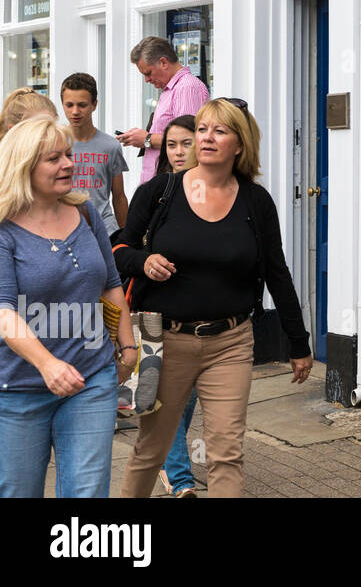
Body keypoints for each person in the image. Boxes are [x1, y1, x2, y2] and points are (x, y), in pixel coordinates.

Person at [116, 98, 311, 498]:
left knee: (225, 453)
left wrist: (298, 342)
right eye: (202, 129)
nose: (206, 138)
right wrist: (144, 260)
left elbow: (277, 272)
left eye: (219, 131)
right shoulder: (160, 191)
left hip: (230, 343)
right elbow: (118, 251)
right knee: (151, 450)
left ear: (239, 145)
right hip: (164, 341)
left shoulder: (255, 202)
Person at [0, 117, 135, 497]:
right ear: (24, 165)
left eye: (68, 155)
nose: (68, 164)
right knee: (18, 491)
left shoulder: (87, 212)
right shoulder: (4, 229)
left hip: (91, 378)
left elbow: (110, 285)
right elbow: (4, 313)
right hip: (18, 388)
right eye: (53, 158)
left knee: (87, 493)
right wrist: (47, 364)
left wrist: (127, 348)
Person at [153, 114, 200, 498]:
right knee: (172, 399)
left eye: (186, 142)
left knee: (185, 402)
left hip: (208, 319)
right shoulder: (157, 191)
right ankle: (181, 479)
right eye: (171, 144)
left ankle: (165, 458)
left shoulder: (224, 191)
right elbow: (126, 249)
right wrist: (145, 261)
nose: (179, 151)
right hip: (163, 317)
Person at [116, 36, 209, 183]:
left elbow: (188, 141)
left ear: (164, 62)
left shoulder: (187, 88)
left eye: (148, 73)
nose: (147, 80)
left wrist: (147, 139)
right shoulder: (172, 89)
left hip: (173, 183)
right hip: (162, 181)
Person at [61, 73, 129, 235]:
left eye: (82, 105)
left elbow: (119, 196)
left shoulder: (110, 146)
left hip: (105, 228)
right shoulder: (55, 145)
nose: (75, 111)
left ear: (94, 104)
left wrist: (126, 237)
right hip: (66, 227)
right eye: (69, 105)